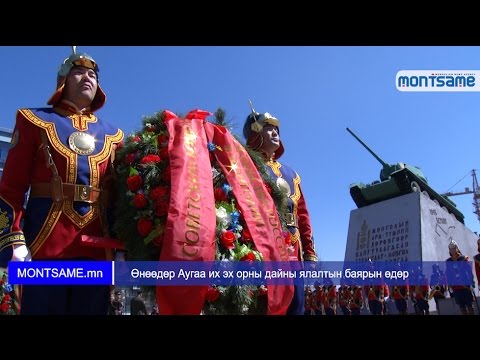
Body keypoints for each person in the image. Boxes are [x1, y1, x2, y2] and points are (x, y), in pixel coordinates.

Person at [0, 47, 124, 315]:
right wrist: (14, 240)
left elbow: (117, 198)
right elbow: (10, 188)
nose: (88, 77)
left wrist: (122, 246)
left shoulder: (115, 136)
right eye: (78, 72)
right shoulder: (33, 120)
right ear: (63, 81)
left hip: (97, 250)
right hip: (43, 244)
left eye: (93, 74)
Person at [243, 107, 318, 315]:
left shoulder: (291, 174)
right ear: (255, 133)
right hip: (263, 253)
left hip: (294, 254)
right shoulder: (247, 166)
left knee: (297, 308)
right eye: (268, 128)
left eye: (276, 128)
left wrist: (310, 256)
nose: (275, 132)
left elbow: (302, 216)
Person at [446, 239, 475, 315]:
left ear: (457, 248)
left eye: (454, 248)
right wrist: (449, 285)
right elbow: (448, 274)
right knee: (462, 307)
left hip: (465, 285)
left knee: (469, 305)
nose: (452, 250)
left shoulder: (463, 259)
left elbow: (469, 271)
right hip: (456, 286)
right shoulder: (448, 262)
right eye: (451, 249)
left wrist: (472, 282)